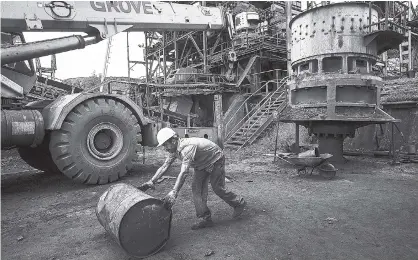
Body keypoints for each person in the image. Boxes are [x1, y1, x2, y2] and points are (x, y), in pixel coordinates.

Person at [139, 127, 246, 230]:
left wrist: (174, 192)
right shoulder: (174, 150)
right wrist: (151, 181)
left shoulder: (187, 148)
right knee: (196, 189)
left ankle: (238, 203)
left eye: (165, 145)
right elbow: (164, 166)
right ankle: (205, 218)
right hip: (201, 164)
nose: (165, 148)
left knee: (217, 188)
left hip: (215, 159)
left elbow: (184, 172)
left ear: (174, 140)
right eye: (163, 146)